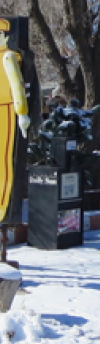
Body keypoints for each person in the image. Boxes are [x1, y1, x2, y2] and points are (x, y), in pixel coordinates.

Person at [0, 19, 30, 221]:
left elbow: (18, 86)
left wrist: (21, 112)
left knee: (4, 159)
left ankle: (3, 206)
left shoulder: (9, 57)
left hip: (7, 109)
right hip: (6, 109)